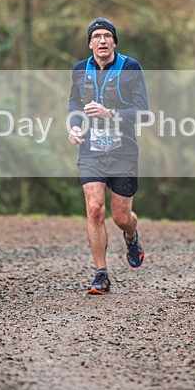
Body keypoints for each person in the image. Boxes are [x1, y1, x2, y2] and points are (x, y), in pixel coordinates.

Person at [67, 17, 148, 295]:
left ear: (114, 41)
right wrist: (74, 126)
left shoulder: (130, 68)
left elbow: (142, 112)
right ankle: (101, 275)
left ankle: (131, 236)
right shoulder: (80, 70)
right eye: (97, 36)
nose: (102, 41)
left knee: (121, 217)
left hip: (123, 150)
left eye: (107, 36)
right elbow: (73, 104)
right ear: (89, 43)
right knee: (94, 208)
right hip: (91, 150)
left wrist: (110, 113)